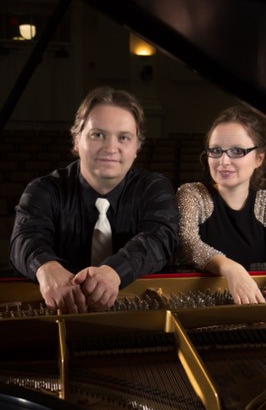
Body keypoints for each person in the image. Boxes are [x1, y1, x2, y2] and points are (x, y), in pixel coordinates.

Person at [10, 86, 178, 314]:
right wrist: (46, 267)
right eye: (98, 135)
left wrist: (114, 271)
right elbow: (25, 237)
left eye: (124, 137)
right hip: (60, 313)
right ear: (76, 140)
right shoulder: (43, 189)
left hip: (137, 314)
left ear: (136, 148)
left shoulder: (153, 188)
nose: (111, 148)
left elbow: (159, 237)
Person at [176, 104, 266, 304]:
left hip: (252, 304)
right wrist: (231, 268)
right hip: (196, 305)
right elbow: (187, 244)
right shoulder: (193, 194)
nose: (223, 161)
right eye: (216, 150)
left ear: (259, 158)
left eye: (237, 151)